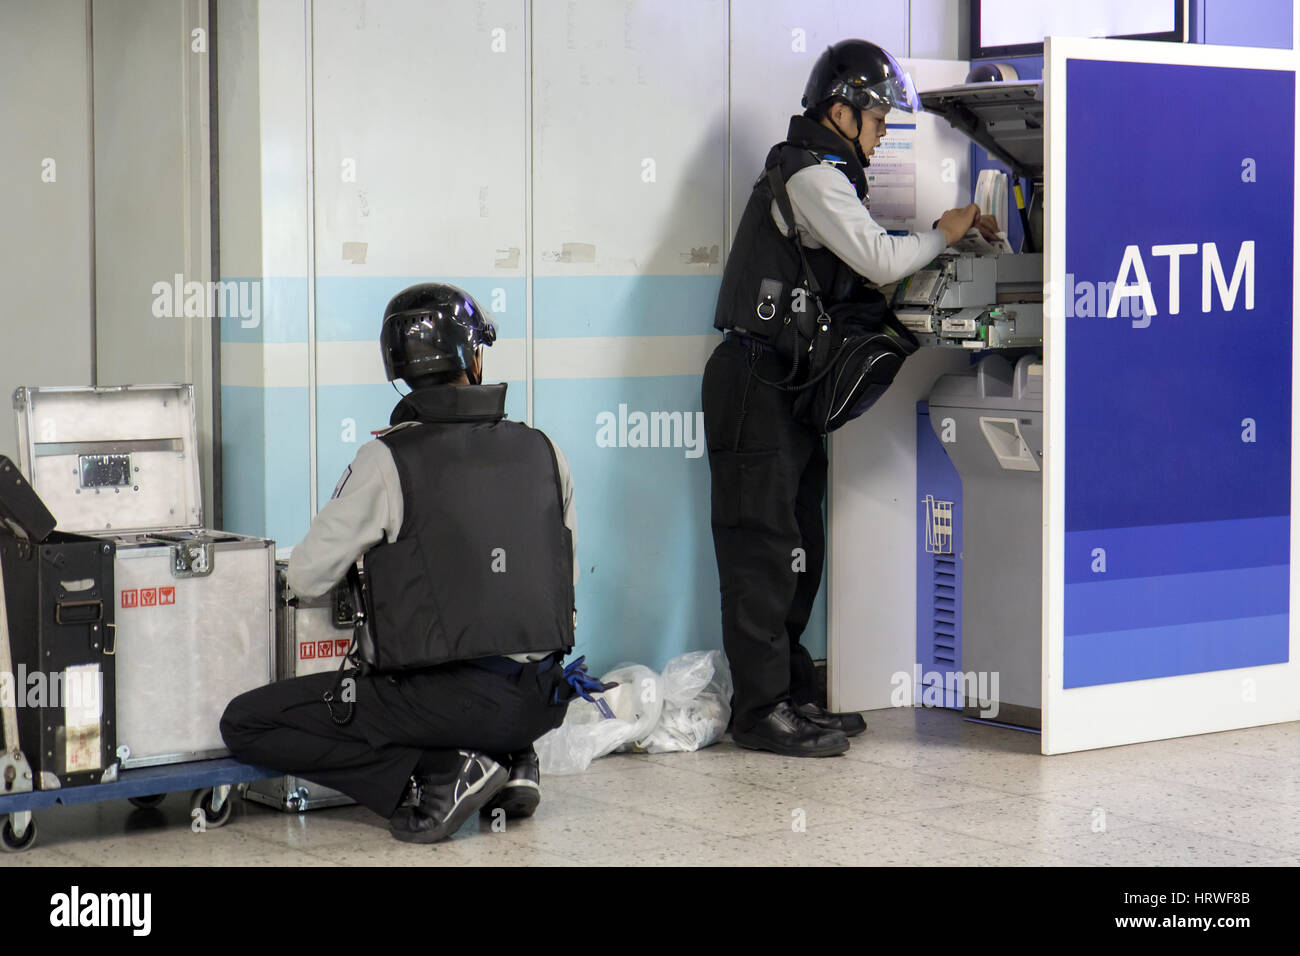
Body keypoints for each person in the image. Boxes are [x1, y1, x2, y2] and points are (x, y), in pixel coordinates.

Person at [703, 39, 1000, 758]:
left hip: (782, 385)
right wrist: (945, 229)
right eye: (875, 120)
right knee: (762, 549)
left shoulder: (830, 174)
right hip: (751, 381)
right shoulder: (809, 175)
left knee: (799, 541)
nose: (881, 133)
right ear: (840, 111)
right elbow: (877, 257)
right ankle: (760, 711)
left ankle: (793, 692)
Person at [221, 282, 581, 842]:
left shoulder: (388, 458)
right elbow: (558, 579)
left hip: (451, 703)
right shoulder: (544, 448)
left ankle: (438, 773)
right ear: (475, 357)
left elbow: (311, 575)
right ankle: (514, 758)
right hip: (544, 697)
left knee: (247, 721)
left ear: (399, 371)